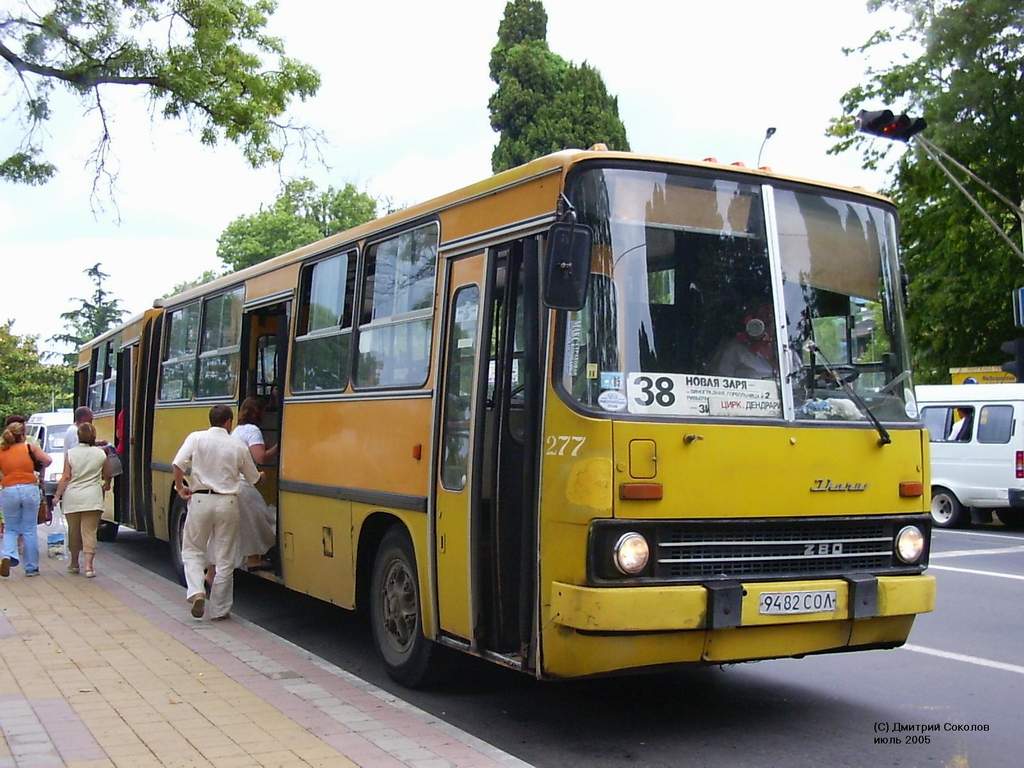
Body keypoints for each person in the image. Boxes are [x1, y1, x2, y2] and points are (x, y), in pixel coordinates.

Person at [172, 404, 260, 620]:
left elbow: (178, 464)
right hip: (227, 503)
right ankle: (220, 609)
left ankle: (196, 591)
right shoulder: (237, 444)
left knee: (192, 549)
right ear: (229, 422)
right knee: (225, 559)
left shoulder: (196, 438)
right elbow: (253, 478)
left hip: (200, 499)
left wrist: (180, 487)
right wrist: (262, 476)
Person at [53, 423, 111, 578]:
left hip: (73, 498)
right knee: (90, 532)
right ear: (93, 436)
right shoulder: (100, 453)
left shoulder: (71, 453)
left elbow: (65, 477)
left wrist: (57, 495)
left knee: (74, 532)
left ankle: (73, 563)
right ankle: (89, 567)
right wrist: (107, 484)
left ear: (78, 436)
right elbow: (108, 473)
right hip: (93, 497)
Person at [0, 421, 51, 578]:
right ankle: (31, 567)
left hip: (9, 490)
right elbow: (48, 460)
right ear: (22, 434)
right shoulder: (29, 447)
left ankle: (7, 555)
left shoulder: (2, 450)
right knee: (29, 529)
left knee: (11, 528)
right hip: (29, 488)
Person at [231, 397, 278, 569]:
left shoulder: (237, 430)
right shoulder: (253, 430)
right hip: (245, 483)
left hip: (234, 483)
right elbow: (261, 457)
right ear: (258, 412)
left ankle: (252, 558)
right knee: (265, 520)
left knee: (249, 521)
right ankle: (254, 559)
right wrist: (279, 446)